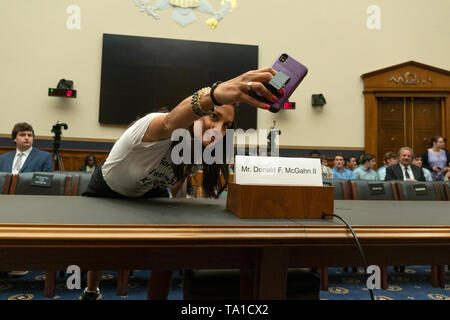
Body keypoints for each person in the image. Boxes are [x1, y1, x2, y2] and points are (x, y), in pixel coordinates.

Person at [80, 67, 285, 300]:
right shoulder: (152, 127)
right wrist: (215, 94)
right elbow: (170, 123)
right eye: (214, 117)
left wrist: (173, 209)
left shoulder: (200, 151)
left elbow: (176, 179)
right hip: (108, 188)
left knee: (166, 248)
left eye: (226, 125)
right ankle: (91, 291)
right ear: (199, 113)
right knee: (100, 251)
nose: (219, 131)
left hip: (149, 190)